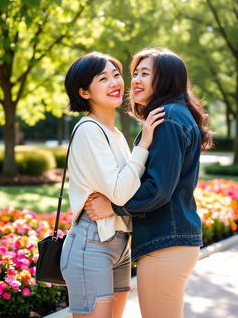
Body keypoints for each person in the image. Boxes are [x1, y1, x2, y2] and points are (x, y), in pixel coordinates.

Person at [84, 48, 213, 318]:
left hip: (167, 242)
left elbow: (159, 189)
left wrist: (113, 207)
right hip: (171, 242)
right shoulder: (173, 114)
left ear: (165, 79)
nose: (135, 81)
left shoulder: (167, 118)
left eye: (145, 73)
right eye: (135, 74)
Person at [61, 51, 165, 318]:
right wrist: (143, 144)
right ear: (84, 92)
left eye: (116, 75)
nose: (115, 82)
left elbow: (129, 190)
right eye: (102, 78)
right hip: (92, 242)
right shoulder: (87, 130)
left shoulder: (115, 134)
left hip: (119, 244)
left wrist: (113, 204)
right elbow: (120, 192)